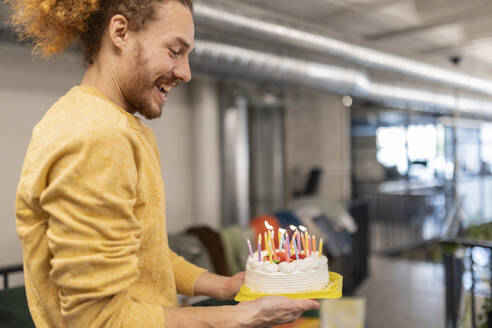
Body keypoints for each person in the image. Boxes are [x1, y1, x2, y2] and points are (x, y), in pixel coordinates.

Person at [9, 0, 320, 327]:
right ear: (120, 32)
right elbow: (97, 321)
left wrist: (223, 285)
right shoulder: (98, 137)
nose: (185, 73)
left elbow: (146, 255)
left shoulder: (117, 127)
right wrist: (242, 316)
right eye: (174, 51)